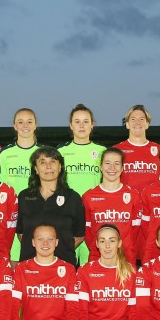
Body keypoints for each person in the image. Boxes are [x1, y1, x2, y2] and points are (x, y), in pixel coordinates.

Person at [17, 146, 85, 266]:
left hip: (63, 267)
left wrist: (55, 251)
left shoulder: (73, 198)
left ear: (60, 167)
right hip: (29, 267)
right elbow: (21, 234)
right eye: (42, 162)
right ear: (36, 169)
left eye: (53, 161)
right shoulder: (24, 196)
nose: (48, 166)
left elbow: (79, 236)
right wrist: (42, 253)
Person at [58, 104, 106, 264]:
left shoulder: (102, 152)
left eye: (86, 121)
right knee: (65, 266)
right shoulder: (61, 152)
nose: (81, 125)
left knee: (90, 265)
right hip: (67, 215)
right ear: (71, 125)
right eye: (77, 121)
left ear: (92, 125)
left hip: (94, 215)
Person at [82, 147, 141, 267]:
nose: (112, 168)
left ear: (123, 168)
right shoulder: (88, 197)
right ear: (100, 166)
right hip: (97, 257)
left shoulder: (133, 195)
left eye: (117, 164)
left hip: (126, 257)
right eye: (107, 163)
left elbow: (136, 231)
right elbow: (88, 232)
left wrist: (125, 246)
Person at [0, 108, 41, 265]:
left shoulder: (44, 153)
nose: (25, 126)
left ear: (35, 125)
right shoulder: (4, 154)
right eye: (20, 122)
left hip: (37, 216)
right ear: (14, 126)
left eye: (29, 122)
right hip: (12, 217)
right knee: (14, 266)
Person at [113, 104, 160, 193]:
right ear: (127, 124)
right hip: (126, 203)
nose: (137, 123)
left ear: (147, 124)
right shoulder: (116, 150)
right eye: (133, 119)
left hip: (152, 204)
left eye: (142, 119)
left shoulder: (159, 150)